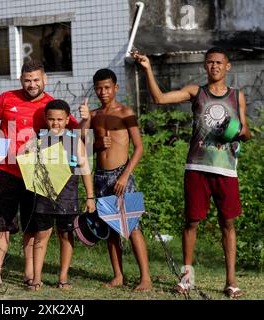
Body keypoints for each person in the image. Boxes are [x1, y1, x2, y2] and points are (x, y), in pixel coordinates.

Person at [133, 47, 250, 298]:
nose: (214, 66)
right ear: (205, 66)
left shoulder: (237, 96)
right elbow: (160, 99)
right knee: (192, 221)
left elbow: (247, 131)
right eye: (210, 62)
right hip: (197, 167)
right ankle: (187, 277)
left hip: (226, 169)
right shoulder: (196, 92)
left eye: (219, 62)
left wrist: (238, 131)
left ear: (227, 66)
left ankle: (230, 280)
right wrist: (147, 69)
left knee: (227, 223)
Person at [0, 60, 79, 288]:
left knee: (33, 227)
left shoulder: (53, 105)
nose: (32, 84)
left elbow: (75, 132)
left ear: (44, 80)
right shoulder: (6, 98)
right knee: (0, 225)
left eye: (36, 80)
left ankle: (30, 274)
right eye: (27, 80)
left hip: (38, 173)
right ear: (21, 80)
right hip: (6, 170)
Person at [79, 68, 152, 292]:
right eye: (99, 88)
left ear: (116, 88)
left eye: (107, 87)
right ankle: (118, 275)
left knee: (133, 227)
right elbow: (82, 146)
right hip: (101, 176)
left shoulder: (125, 112)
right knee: (110, 227)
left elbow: (139, 147)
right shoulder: (93, 115)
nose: (103, 92)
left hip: (122, 174)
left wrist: (125, 175)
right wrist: (86, 125)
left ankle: (146, 278)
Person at [25, 99, 96, 291]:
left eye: (59, 119)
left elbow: (85, 170)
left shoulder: (75, 141)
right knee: (42, 236)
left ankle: (63, 278)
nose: (55, 123)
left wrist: (90, 197)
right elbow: (27, 164)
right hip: (43, 198)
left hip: (68, 198)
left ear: (67, 120)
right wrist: (27, 153)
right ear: (45, 120)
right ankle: (36, 278)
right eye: (51, 119)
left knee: (65, 235)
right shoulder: (38, 140)